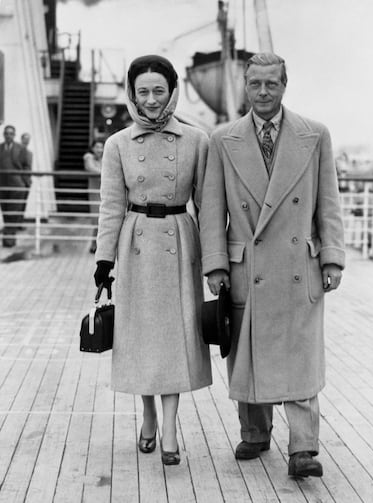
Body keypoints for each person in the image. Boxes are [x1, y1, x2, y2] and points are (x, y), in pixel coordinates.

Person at [199, 52, 345, 478]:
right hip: (247, 266)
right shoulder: (222, 139)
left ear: (285, 85)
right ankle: (255, 432)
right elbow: (212, 210)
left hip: (300, 263)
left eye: (272, 84)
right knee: (248, 350)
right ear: (245, 85)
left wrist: (332, 257)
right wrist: (215, 265)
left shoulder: (314, 135)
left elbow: (328, 204)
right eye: (255, 84)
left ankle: (304, 448)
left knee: (300, 355)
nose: (263, 92)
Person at [93, 55, 211, 466]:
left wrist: (214, 262)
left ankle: (172, 428)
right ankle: (147, 415)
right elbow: (111, 206)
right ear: (132, 94)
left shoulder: (197, 141)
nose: (151, 99)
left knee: (175, 338)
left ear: (172, 92)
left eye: (158, 90)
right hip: (136, 243)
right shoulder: (118, 144)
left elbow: (209, 207)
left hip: (180, 242)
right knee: (141, 337)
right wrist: (104, 261)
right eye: (143, 91)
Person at [0, 125, 31, 247]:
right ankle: (7, 239)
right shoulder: (0, 148)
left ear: (14, 135)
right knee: (5, 212)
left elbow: (26, 166)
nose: (8, 136)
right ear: (3, 134)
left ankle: (10, 240)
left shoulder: (20, 149)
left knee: (14, 212)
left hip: (17, 186)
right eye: (6, 133)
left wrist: (24, 182)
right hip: (2, 185)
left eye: (11, 133)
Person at [83, 139, 104, 253]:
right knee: (97, 219)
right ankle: (93, 244)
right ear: (92, 148)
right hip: (95, 192)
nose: (99, 150)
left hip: (106, 192)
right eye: (97, 147)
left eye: (101, 147)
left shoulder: (105, 158)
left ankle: (97, 245)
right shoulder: (88, 157)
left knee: (104, 220)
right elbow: (92, 168)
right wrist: (107, 172)